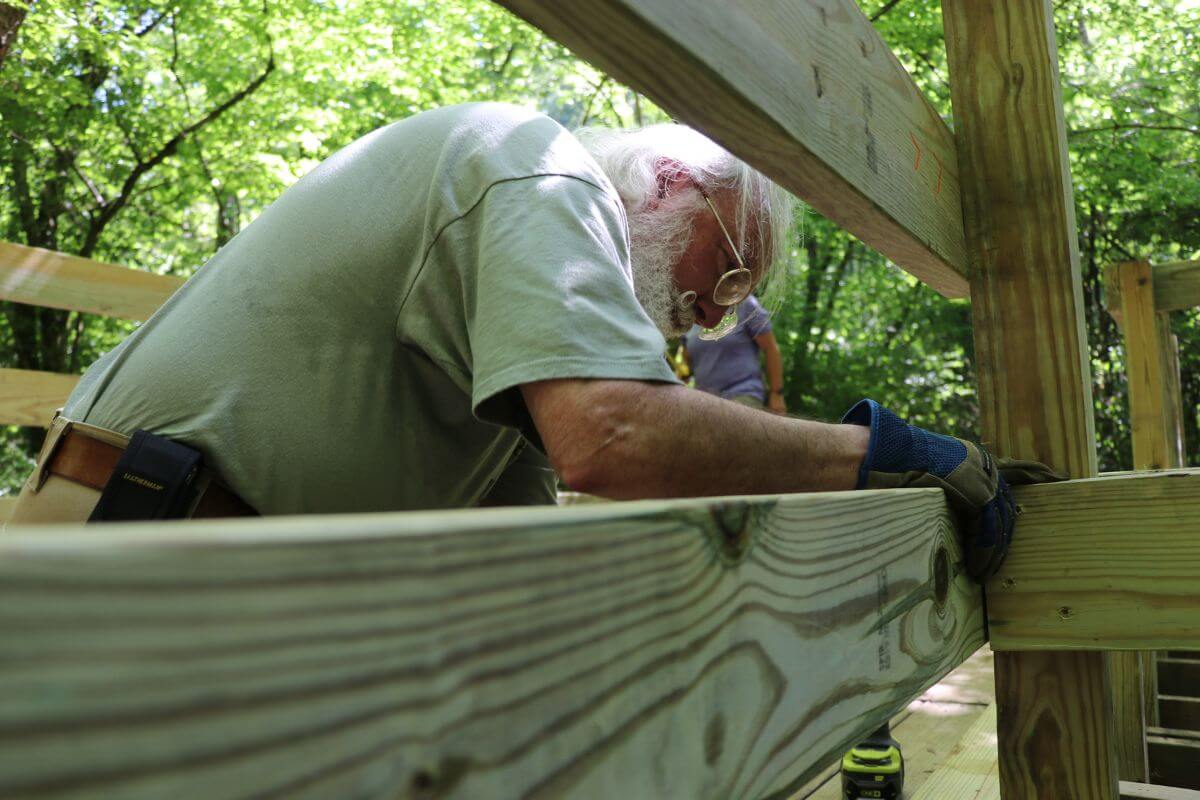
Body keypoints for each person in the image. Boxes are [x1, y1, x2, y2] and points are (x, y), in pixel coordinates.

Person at [6, 102, 1054, 579]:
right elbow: (617, 441)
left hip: (212, 573)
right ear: (673, 181)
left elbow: (554, 528)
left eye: (740, 300)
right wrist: (885, 455)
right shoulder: (535, 165)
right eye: (728, 267)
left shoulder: (522, 342)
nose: (716, 311)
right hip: (122, 558)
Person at [680, 293, 786, 413]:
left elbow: (770, 348)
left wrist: (776, 393)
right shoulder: (689, 313)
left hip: (743, 392)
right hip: (704, 401)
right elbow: (685, 361)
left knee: (732, 426)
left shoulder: (745, 304)